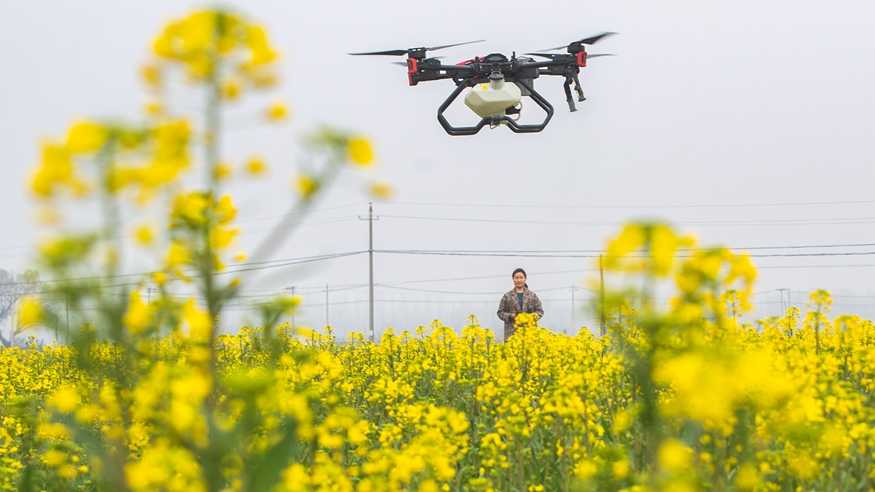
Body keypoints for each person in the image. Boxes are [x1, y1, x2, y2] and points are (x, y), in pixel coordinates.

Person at [496, 268, 544, 341]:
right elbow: (500, 312)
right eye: (516, 278)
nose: (519, 280)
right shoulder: (507, 296)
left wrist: (529, 317)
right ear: (513, 279)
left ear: (525, 279)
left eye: (521, 277)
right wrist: (512, 316)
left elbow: (540, 312)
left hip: (529, 334)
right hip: (511, 334)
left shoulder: (532, 295)